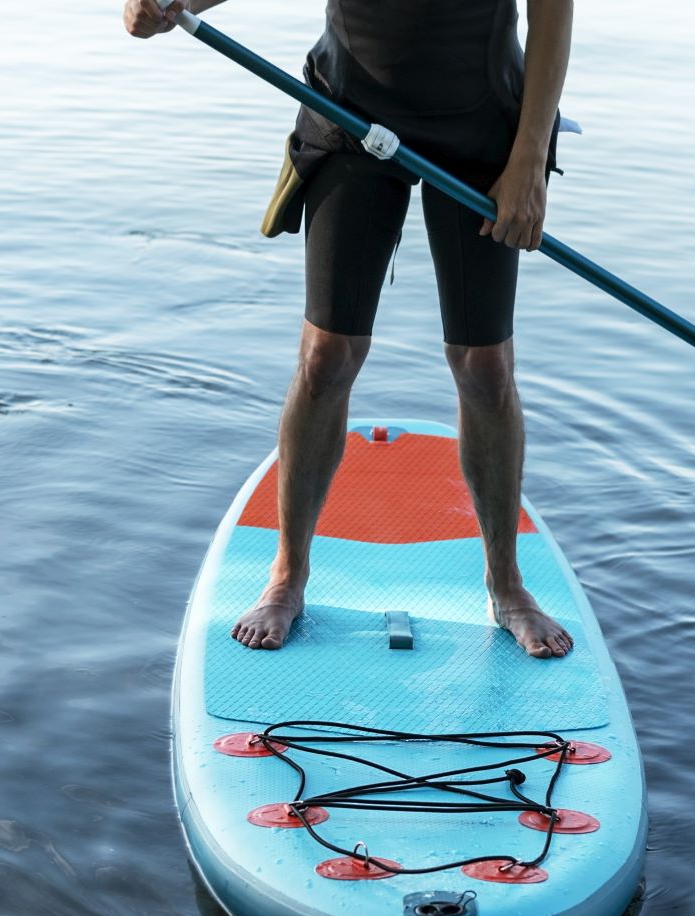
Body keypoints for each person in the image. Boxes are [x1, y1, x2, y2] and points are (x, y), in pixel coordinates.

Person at [124, 0, 575, 658]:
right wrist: (177, 3)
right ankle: (286, 578)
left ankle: (506, 585)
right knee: (325, 358)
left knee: (485, 367)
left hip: (482, 130)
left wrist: (530, 161)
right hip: (351, 113)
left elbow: (553, 13)